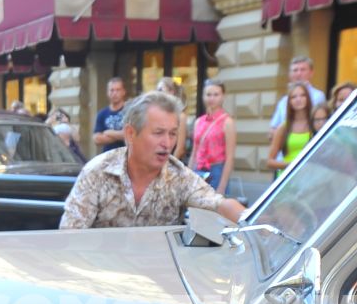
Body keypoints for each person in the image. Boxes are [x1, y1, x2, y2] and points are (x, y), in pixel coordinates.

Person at [60, 92, 248, 230]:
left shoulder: (179, 176)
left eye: (173, 134)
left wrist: (255, 222)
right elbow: (70, 235)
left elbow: (218, 204)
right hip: (101, 275)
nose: (167, 143)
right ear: (131, 134)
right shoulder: (97, 172)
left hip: (157, 276)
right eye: (158, 133)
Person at [189, 80, 237, 193]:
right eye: (208, 94)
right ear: (203, 96)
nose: (212, 98)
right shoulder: (198, 122)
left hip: (217, 171)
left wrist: (222, 186)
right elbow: (194, 152)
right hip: (198, 170)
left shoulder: (227, 122)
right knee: (195, 208)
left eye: (216, 94)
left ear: (223, 96)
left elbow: (230, 158)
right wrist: (188, 176)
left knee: (213, 209)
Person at [266, 82, 316, 172]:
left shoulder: (315, 123)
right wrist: (293, 164)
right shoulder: (284, 127)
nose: (298, 99)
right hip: (289, 177)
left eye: (302, 95)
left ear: (308, 98)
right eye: (294, 97)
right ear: (289, 102)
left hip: (311, 177)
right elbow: (270, 161)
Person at [268, 56, 325, 132]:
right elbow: (274, 126)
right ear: (289, 74)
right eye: (295, 70)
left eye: (303, 70)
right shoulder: (284, 100)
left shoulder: (318, 96)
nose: (298, 74)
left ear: (311, 73)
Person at [91, 77, 129, 150]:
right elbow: (96, 139)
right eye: (112, 90)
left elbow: (130, 135)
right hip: (108, 158)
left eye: (118, 90)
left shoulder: (130, 111)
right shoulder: (102, 114)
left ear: (123, 92)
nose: (114, 93)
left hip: (126, 156)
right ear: (107, 93)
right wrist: (120, 135)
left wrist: (109, 133)